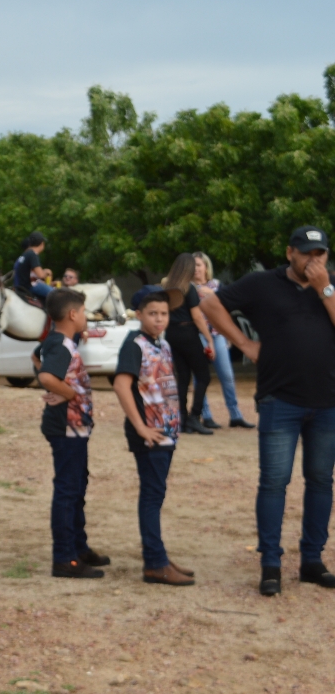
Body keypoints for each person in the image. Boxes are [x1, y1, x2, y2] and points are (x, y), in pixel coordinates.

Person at [199, 226, 335, 597]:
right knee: (274, 481)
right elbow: (210, 304)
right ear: (290, 252)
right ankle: (270, 564)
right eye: (306, 253)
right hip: (279, 399)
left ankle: (312, 560)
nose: (313, 260)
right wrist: (243, 343)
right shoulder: (261, 283)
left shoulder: (330, 286)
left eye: (320, 254)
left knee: (321, 481)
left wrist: (324, 289)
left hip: (327, 401)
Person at [113, 290, 195, 586]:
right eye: (152, 314)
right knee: (151, 495)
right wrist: (141, 427)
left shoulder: (162, 343)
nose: (159, 319)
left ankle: (158, 555)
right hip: (150, 434)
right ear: (139, 315)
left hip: (166, 431)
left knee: (157, 494)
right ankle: (155, 563)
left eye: (164, 313)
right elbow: (121, 385)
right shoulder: (134, 344)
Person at [34, 288, 109, 578]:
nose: (87, 317)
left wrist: (60, 388)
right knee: (68, 490)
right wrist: (67, 393)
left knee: (77, 486)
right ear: (73, 314)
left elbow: (36, 358)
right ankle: (65, 558)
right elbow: (46, 374)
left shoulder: (57, 341)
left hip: (74, 427)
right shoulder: (62, 346)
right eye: (84, 312)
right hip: (66, 427)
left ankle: (79, 547)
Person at [192, 251, 251, 429]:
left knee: (227, 375)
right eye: (192, 266)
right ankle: (206, 415)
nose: (195, 269)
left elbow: (226, 310)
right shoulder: (187, 287)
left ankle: (235, 415)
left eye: (199, 265)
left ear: (206, 267)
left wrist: (228, 334)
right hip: (197, 335)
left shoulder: (217, 285)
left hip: (217, 334)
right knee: (200, 376)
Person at [162, 254, 216, 436]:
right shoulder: (189, 288)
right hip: (188, 333)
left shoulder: (168, 288)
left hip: (171, 334)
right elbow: (197, 317)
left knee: (183, 377)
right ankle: (195, 416)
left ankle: (182, 418)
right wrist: (209, 339)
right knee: (203, 376)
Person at [14, 232, 53, 300]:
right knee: (56, 294)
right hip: (30, 286)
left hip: (20, 286)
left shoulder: (24, 255)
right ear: (42, 244)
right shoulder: (33, 255)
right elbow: (40, 275)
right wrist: (46, 272)